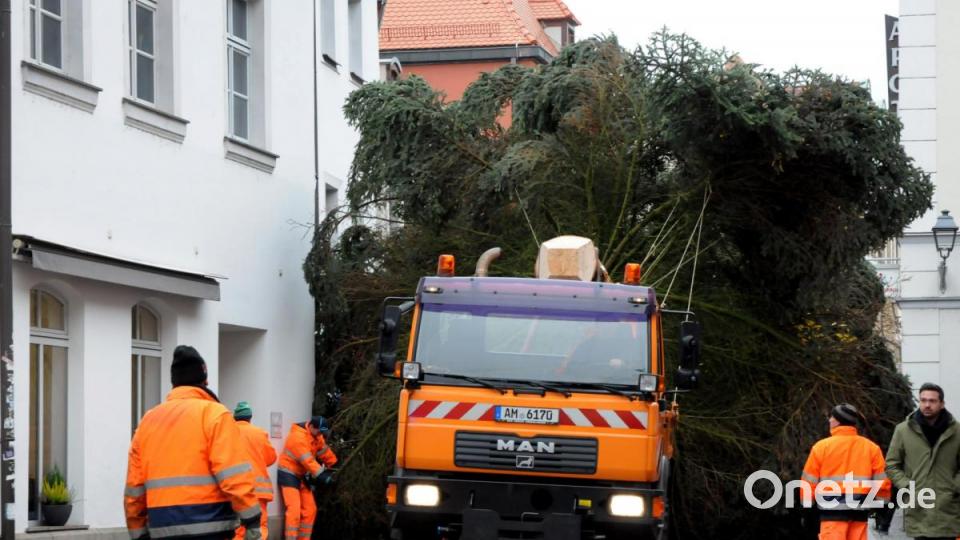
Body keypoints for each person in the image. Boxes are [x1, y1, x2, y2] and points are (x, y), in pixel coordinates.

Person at [124, 345, 262, 540]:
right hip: (211, 528)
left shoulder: (148, 421)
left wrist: (138, 533)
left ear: (174, 383)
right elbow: (233, 475)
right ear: (204, 380)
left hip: (162, 530)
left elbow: (134, 488)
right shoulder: (214, 414)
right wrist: (252, 520)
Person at [800, 403, 891, 540]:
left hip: (831, 517)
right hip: (859, 514)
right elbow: (883, 483)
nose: (829, 420)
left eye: (831, 416)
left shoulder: (821, 448)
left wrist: (807, 510)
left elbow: (808, 483)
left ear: (837, 421)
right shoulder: (871, 448)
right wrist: (881, 507)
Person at [886, 383, 960, 540]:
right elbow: (892, 464)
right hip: (918, 506)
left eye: (932, 401)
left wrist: (954, 486)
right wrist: (908, 486)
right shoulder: (903, 430)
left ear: (942, 404)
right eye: (923, 400)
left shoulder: (957, 432)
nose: (927, 405)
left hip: (947, 508)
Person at [277, 416, 338, 539]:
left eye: (322, 432)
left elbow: (323, 451)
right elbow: (308, 461)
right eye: (319, 431)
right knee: (294, 511)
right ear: (310, 427)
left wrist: (335, 463)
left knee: (310, 510)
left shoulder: (316, 435)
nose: (321, 434)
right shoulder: (298, 438)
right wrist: (323, 476)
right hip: (288, 472)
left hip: (301, 475)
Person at [233, 401, 278, 540]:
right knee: (260, 526)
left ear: (235, 417)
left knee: (238, 528)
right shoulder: (260, 433)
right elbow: (271, 458)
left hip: (237, 489)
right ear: (250, 417)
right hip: (259, 490)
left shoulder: (228, 432)